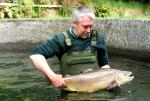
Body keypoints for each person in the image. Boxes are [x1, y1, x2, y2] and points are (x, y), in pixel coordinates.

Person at [30, 6, 110, 88]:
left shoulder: (98, 38)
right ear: (74, 23)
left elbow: (105, 67)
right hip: (70, 91)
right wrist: (53, 77)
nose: (89, 31)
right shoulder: (61, 39)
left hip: (95, 91)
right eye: (85, 27)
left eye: (91, 26)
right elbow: (35, 56)